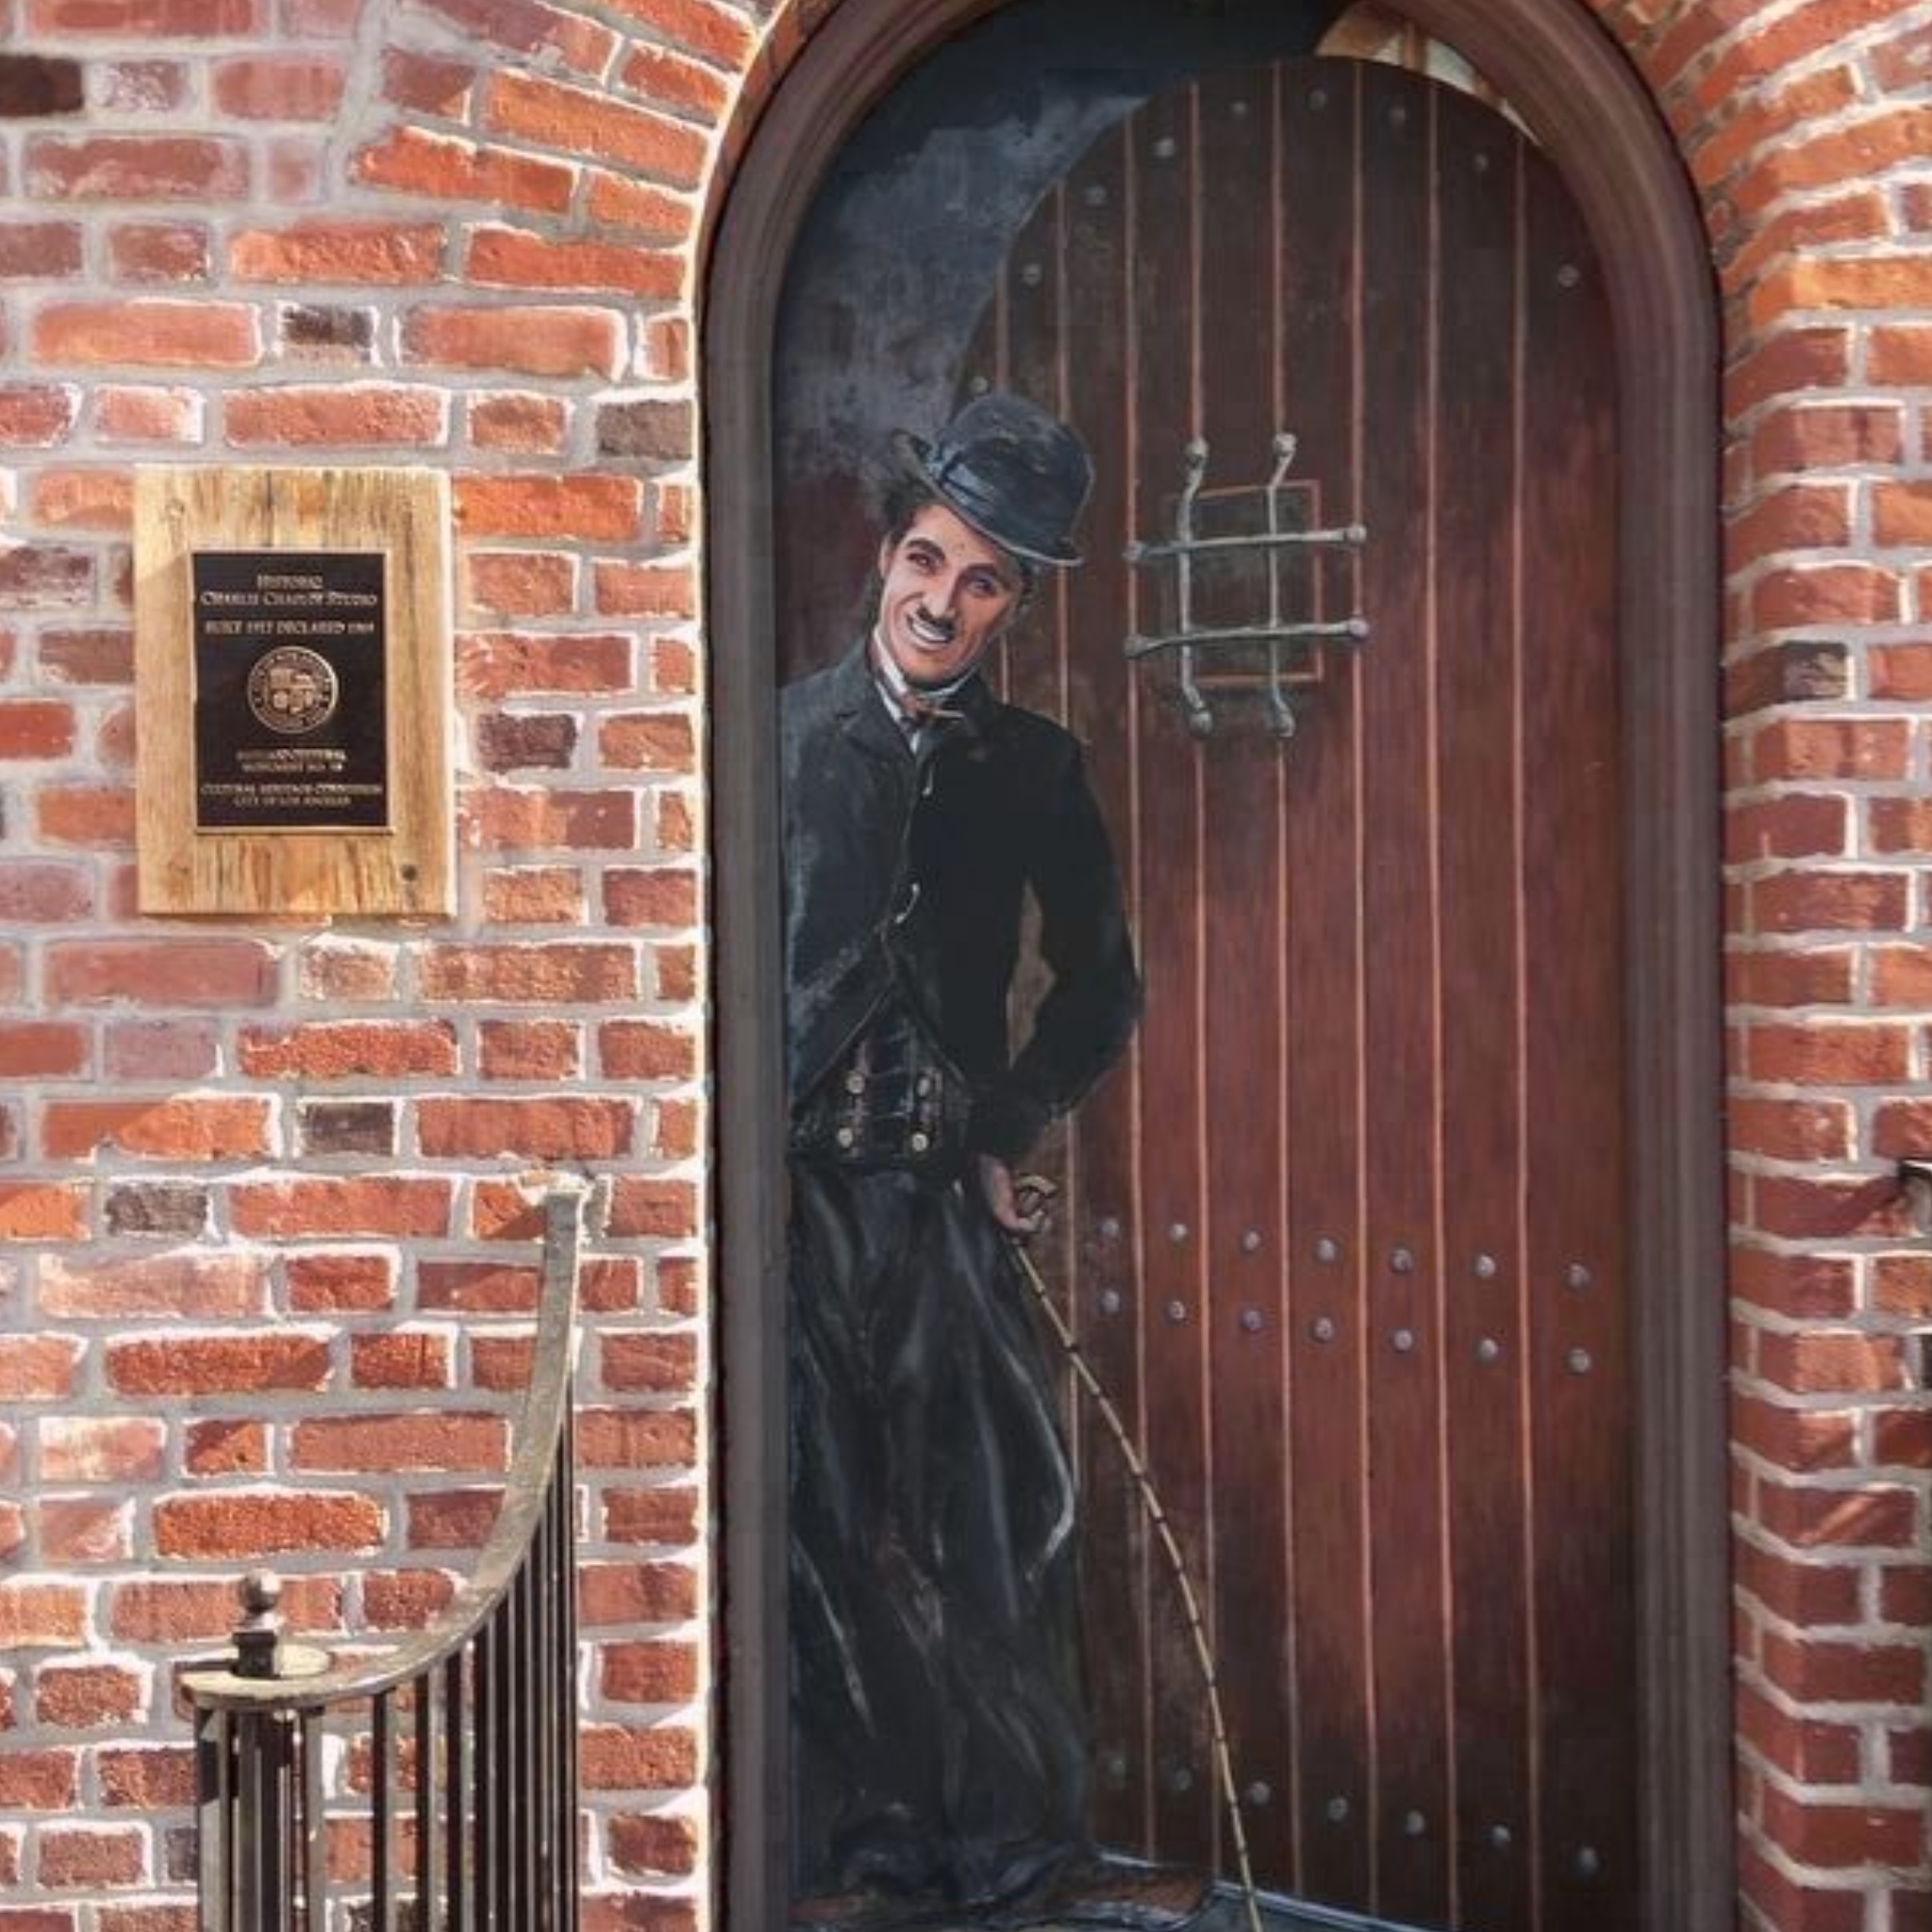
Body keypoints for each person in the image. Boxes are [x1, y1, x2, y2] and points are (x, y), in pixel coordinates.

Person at [783, 395, 1206, 1932]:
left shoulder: (1035, 766)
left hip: (938, 1205)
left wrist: (1005, 1127)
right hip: (786, 1209)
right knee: (821, 1527)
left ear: (1014, 605)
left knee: (1002, 1519)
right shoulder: (770, 742)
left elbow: (1103, 987)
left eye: (983, 584)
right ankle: (877, 1857)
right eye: (928, 561)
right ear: (889, 555)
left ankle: (1026, 1860)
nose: (942, 603)